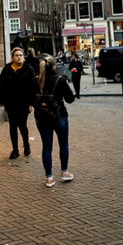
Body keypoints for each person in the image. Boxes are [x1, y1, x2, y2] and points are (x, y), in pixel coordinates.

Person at [30, 55, 76, 187]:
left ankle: (49, 178)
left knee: (47, 146)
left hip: (41, 117)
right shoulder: (60, 80)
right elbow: (70, 99)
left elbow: (31, 99)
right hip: (59, 115)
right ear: (54, 66)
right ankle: (64, 172)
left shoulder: (36, 80)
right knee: (63, 143)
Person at [0, 47, 36, 159]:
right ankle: (15, 150)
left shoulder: (29, 69)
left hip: (24, 103)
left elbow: (33, 87)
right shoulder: (7, 69)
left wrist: (32, 103)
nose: (19, 57)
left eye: (21, 55)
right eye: (16, 55)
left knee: (22, 125)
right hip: (11, 103)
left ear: (24, 57)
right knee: (12, 126)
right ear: (12, 57)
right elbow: (0, 84)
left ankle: (26, 145)